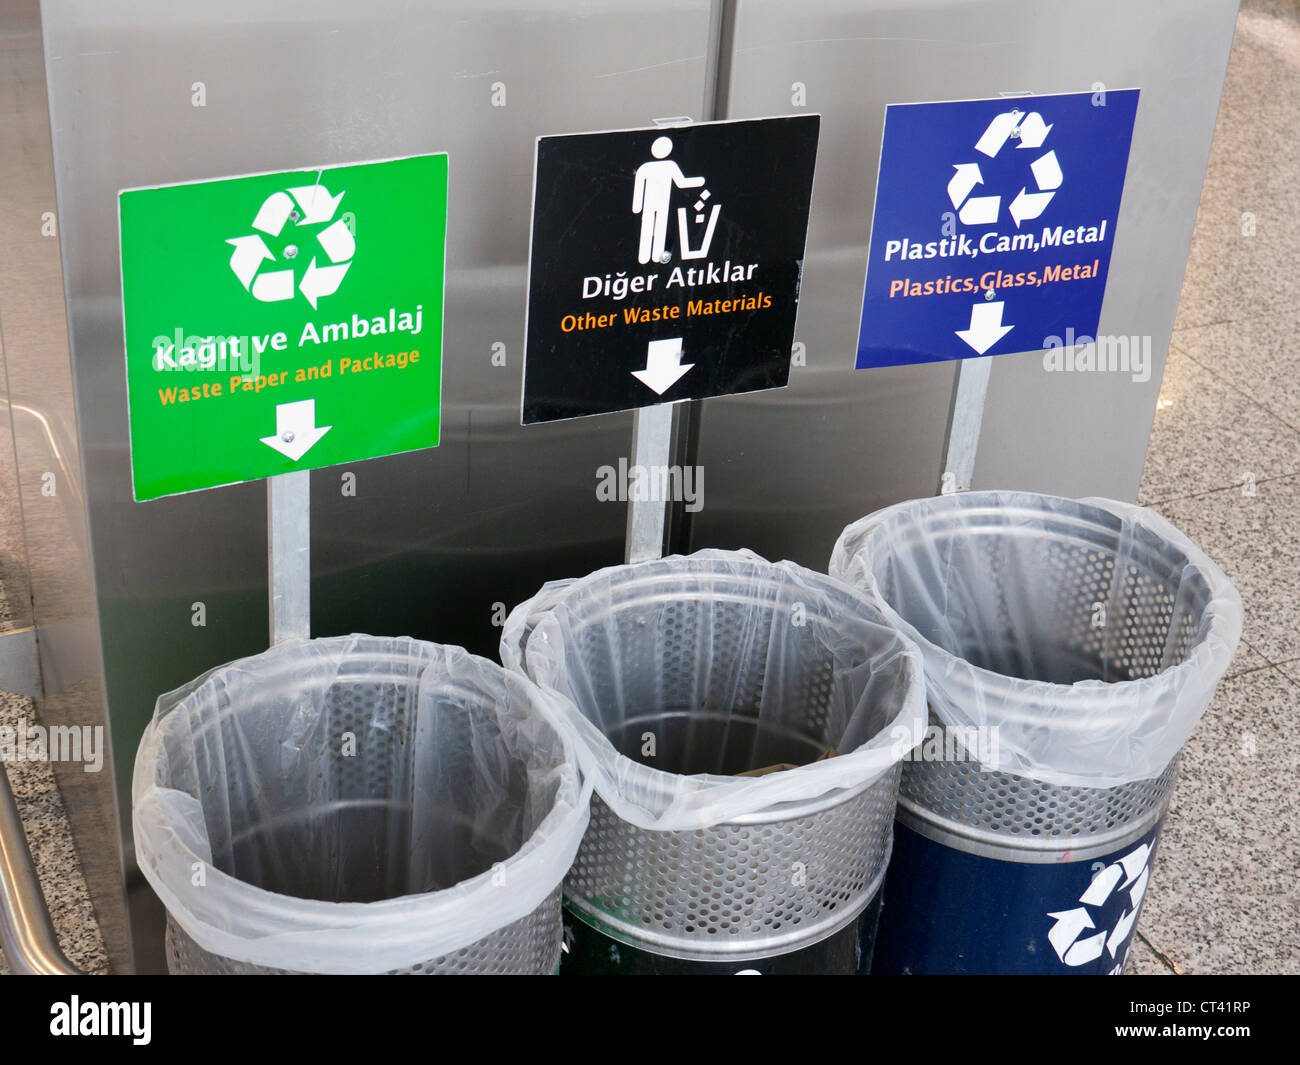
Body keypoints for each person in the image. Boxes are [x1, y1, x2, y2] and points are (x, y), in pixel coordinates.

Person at [632, 136, 705, 265]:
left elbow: (681, 182)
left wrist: (699, 181)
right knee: (649, 227)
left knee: (658, 227)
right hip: (652, 204)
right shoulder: (648, 167)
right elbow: (639, 186)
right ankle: (645, 256)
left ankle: (655, 257)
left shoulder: (668, 165)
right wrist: (637, 206)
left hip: (662, 203)